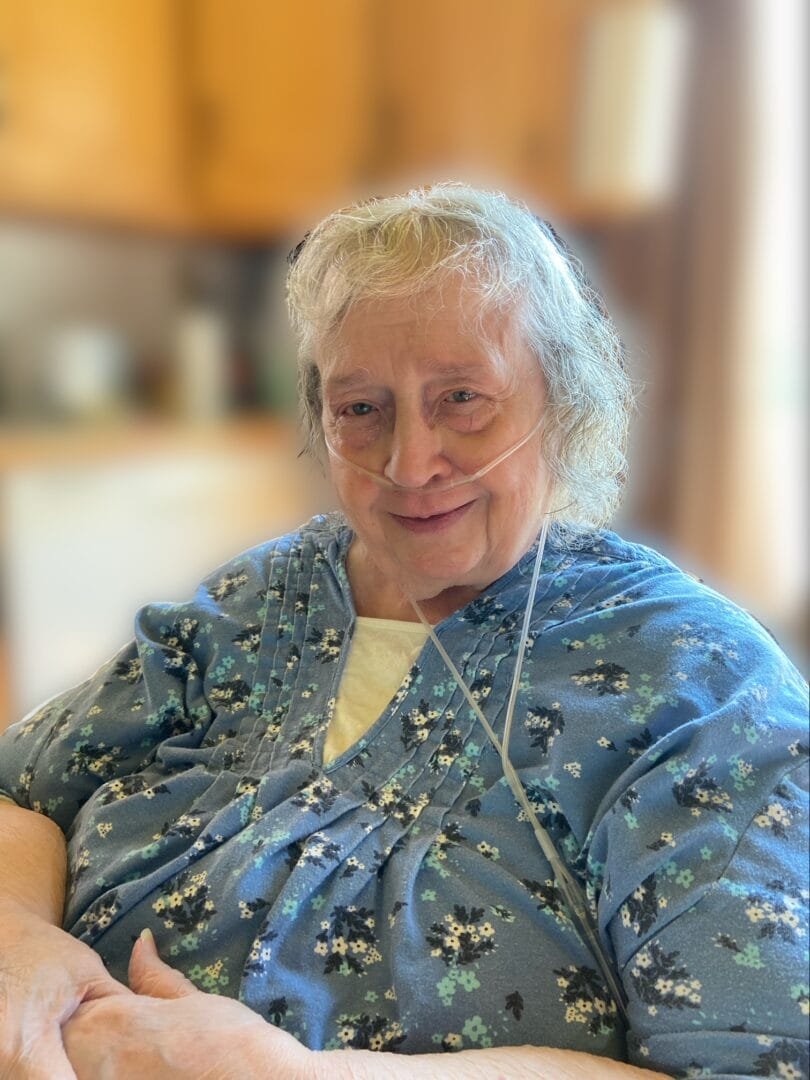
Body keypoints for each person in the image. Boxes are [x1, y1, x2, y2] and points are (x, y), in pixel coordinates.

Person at [0, 183, 807, 1080]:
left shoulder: (697, 681)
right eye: (362, 409)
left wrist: (305, 1078)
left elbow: (756, 1064)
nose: (410, 464)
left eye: (462, 397)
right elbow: (19, 790)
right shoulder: (253, 605)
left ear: (563, 405)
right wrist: (20, 946)